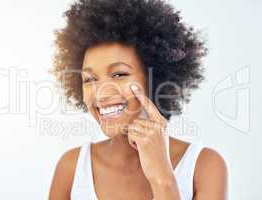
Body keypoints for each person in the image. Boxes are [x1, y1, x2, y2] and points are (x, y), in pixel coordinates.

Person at [49, 0, 228, 199]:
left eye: (119, 74)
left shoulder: (204, 166)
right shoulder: (71, 168)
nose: (100, 93)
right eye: (89, 79)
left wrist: (162, 178)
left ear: (155, 79)